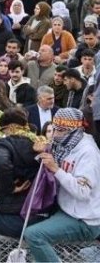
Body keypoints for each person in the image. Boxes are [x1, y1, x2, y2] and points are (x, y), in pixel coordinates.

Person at [23, 108, 100, 263]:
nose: (55, 134)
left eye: (60, 130)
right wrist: (43, 150)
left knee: (33, 235)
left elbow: (83, 191)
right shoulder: (67, 144)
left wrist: (56, 169)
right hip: (67, 209)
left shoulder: (88, 153)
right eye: (54, 128)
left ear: (71, 130)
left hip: (84, 219)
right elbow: (55, 154)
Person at [0, 108, 47, 237]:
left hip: (10, 212)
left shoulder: (4, 144)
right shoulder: (40, 143)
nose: (2, 133)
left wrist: (9, 187)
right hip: (38, 209)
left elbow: (2, 164)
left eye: (3, 129)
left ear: (10, 127)